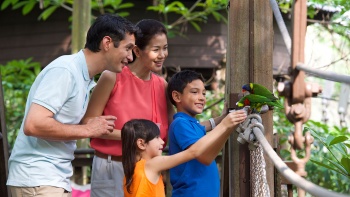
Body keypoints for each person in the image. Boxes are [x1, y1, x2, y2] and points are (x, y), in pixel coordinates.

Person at [6, 14, 139, 197]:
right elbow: (33, 124)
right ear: (107, 43)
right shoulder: (65, 70)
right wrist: (88, 130)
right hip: (38, 179)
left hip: (51, 179)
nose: (131, 57)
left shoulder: (84, 76)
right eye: (128, 48)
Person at [81, 19, 174, 197]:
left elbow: (173, 128)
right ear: (137, 51)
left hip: (146, 170)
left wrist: (213, 123)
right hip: (112, 166)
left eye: (165, 48)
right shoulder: (112, 77)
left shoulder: (162, 85)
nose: (162, 54)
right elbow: (88, 123)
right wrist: (134, 138)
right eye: (156, 49)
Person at [122, 115, 246, 196]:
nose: (162, 142)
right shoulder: (152, 164)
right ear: (141, 144)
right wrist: (224, 125)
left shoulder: (131, 170)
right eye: (157, 138)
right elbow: (193, 152)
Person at [167, 70, 239, 197]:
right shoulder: (180, 124)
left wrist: (222, 118)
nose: (201, 97)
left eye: (204, 93)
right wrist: (225, 126)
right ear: (177, 96)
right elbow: (205, 157)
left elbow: (203, 126)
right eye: (195, 92)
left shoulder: (191, 124)